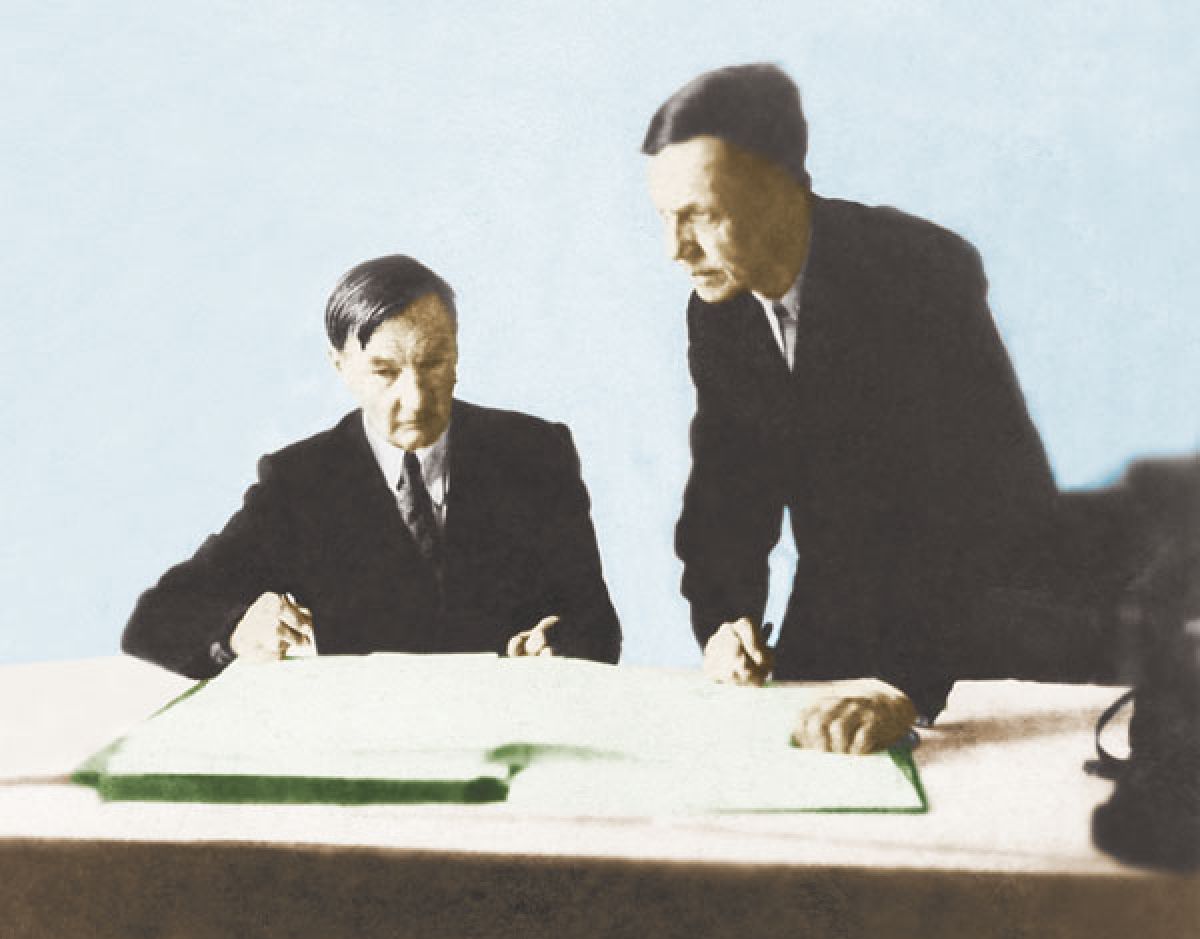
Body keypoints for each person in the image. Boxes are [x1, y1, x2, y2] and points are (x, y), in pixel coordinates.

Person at [643, 64, 1056, 752]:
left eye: (701, 215)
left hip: (979, 643)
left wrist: (905, 683)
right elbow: (726, 494)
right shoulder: (719, 311)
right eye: (665, 217)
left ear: (780, 190)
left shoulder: (919, 272)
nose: (675, 251)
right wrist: (725, 623)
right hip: (834, 629)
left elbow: (985, 505)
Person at [123, 254, 621, 676]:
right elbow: (155, 619)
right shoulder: (299, 483)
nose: (416, 399)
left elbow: (597, 623)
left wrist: (560, 642)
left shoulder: (535, 454)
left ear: (456, 352)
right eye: (385, 372)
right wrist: (236, 631)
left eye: (434, 363)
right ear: (341, 366)